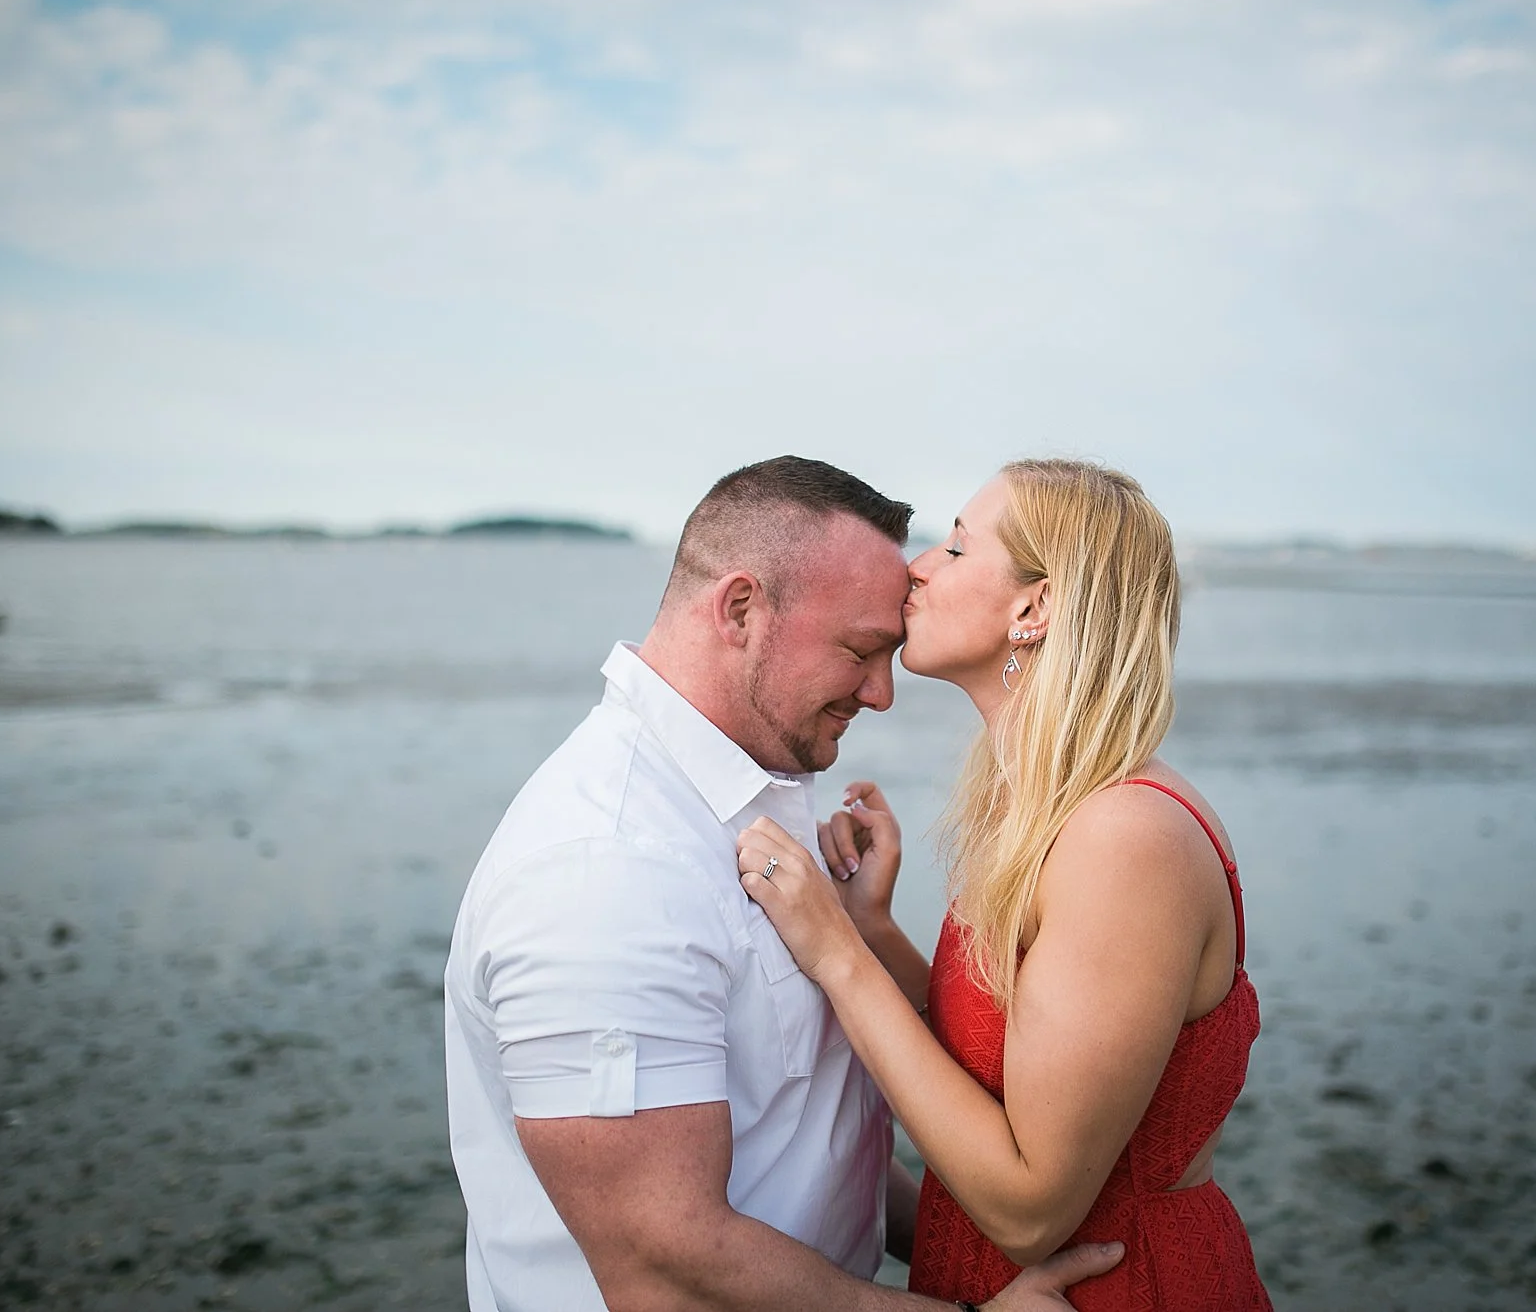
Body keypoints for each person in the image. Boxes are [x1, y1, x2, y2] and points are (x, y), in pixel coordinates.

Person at [443, 455, 1123, 1312]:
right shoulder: (607, 869)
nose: (882, 693)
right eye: (860, 651)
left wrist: (971, 1250)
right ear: (739, 609)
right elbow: (665, 1269)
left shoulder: (754, 791)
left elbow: (816, 1137)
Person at [736, 458, 1274, 1310]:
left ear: (1035, 607)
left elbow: (1030, 1208)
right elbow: (1004, 1068)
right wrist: (873, 928)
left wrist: (835, 952)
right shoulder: (1044, 806)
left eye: (954, 547)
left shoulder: (1123, 840)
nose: (915, 565)